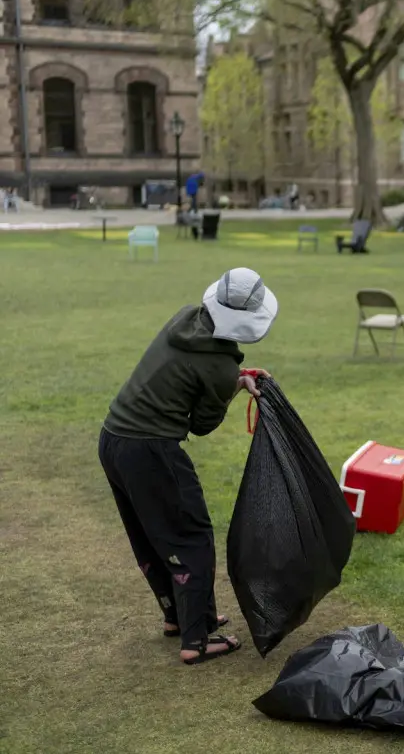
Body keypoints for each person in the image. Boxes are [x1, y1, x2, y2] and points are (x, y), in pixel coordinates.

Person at [98, 268, 278, 665]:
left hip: (113, 438)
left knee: (150, 534)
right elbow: (202, 424)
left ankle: (179, 616)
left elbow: (192, 370)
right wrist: (232, 384)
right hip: (151, 450)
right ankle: (196, 640)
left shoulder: (185, 319)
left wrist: (235, 378)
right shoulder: (219, 369)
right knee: (190, 536)